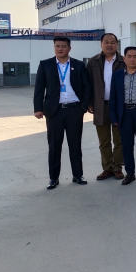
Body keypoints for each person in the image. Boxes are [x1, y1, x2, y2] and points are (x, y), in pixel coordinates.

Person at [34, 36, 91, 190]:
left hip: (74, 110)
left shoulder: (79, 65)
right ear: (54, 47)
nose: (60, 49)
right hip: (54, 111)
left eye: (63, 46)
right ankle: (53, 178)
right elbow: (39, 88)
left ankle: (78, 175)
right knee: (54, 146)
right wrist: (38, 108)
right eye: (57, 46)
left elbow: (87, 87)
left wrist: (83, 107)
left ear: (69, 48)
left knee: (75, 144)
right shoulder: (45, 65)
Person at [87, 33, 126, 181]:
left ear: (117, 44)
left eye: (112, 42)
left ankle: (118, 168)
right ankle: (107, 168)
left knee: (119, 140)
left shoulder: (123, 61)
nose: (109, 45)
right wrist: (90, 103)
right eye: (106, 42)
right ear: (101, 44)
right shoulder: (93, 62)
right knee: (104, 141)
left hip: (119, 107)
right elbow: (88, 84)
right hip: (100, 106)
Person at [109, 47, 136, 185]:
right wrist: (114, 117)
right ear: (124, 58)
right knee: (126, 145)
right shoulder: (117, 75)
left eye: (135, 56)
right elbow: (113, 97)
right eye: (129, 56)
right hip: (124, 113)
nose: (132, 59)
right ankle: (130, 173)